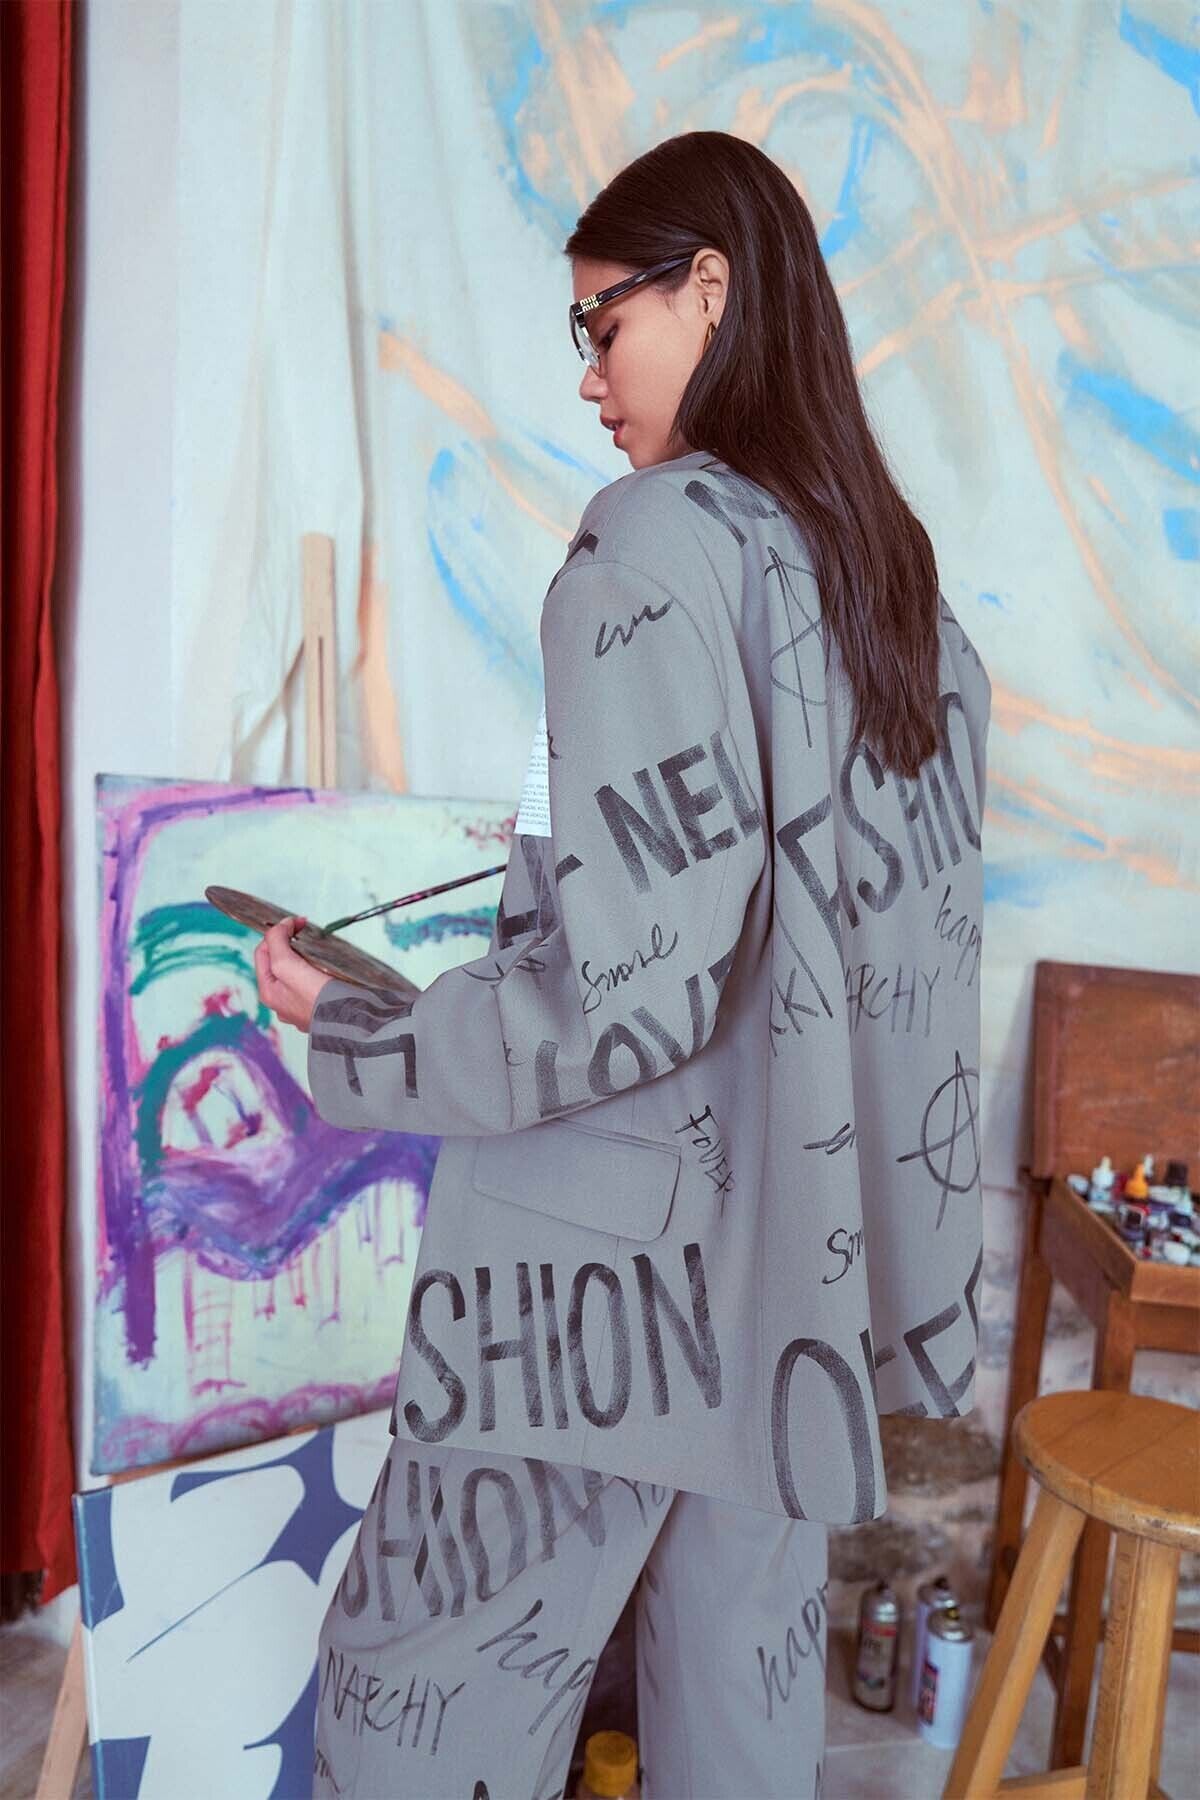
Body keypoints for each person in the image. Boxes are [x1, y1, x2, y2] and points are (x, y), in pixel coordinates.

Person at [256, 130, 990, 1800]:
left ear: (710, 290)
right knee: (733, 1722)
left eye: (604, 324)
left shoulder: (651, 547)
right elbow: (899, 993)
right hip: (790, 1288)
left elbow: (619, 996)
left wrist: (357, 1029)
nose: (588, 373)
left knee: (420, 1700)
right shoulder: (904, 594)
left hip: (594, 1295)